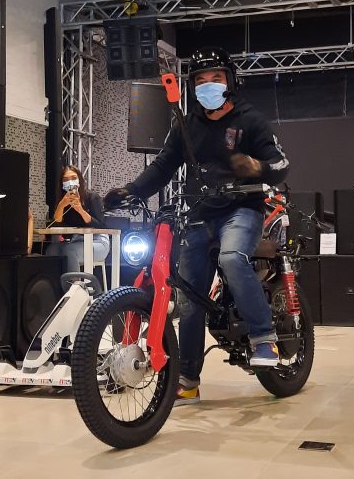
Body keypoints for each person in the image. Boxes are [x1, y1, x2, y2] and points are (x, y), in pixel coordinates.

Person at [104, 46, 290, 406]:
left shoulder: (250, 120)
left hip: (241, 210)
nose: (208, 86)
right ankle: (188, 380)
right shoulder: (187, 125)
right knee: (189, 298)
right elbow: (163, 166)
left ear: (230, 81)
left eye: (215, 78)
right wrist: (130, 190)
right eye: (201, 81)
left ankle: (264, 337)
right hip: (200, 214)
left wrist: (257, 167)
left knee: (233, 258)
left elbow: (281, 164)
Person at [45, 165, 109, 273]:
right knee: (51, 250)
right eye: (65, 180)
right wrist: (61, 205)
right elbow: (55, 224)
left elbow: (100, 226)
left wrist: (80, 210)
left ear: (80, 180)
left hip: (97, 241)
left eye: (74, 178)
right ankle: (54, 282)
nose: (70, 182)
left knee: (69, 250)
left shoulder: (92, 197)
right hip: (75, 240)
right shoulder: (62, 201)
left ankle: (75, 282)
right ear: (62, 184)